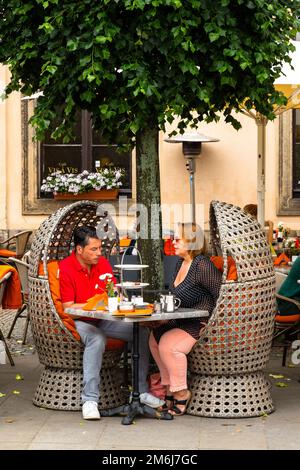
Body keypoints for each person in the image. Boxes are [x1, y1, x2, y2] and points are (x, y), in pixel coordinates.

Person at [59, 226, 164, 420]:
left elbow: (114, 294)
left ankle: (140, 392)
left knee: (140, 332)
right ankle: (90, 400)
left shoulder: (103, 264)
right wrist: (94, 306)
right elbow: (68, 308)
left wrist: (121, 299)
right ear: (79, 249)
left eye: (100, 248)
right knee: (97, 339)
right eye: (94, 249)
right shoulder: (66, 268)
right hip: (79, 321)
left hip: (106, 318)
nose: (99, 253)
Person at [149, 222, 222, 416]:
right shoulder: (180, 263)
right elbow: (176, 296)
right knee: (155, 338)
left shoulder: (202, 265)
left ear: (191, 241)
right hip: (182, 319)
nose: (173, 242)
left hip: (201, 321)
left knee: (168, 345)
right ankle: (168, 389)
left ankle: (181, 392)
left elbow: (221, 294)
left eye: (178, 239)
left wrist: (216, 325)